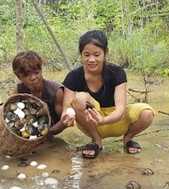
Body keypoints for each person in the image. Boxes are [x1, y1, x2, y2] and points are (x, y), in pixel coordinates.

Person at [62, 30, 154, 158]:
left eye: (96, 54)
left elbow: (121, 109)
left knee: (147, 113)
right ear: (81, 55)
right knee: (79, 98)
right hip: (92, 122)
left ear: (105, 53)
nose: (91, 59)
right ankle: (97, 141)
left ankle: (127, 139)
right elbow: (66, 106)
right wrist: (67, 116)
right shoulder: (73, 76)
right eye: (86, 55)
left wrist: (104, 120)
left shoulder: (117, 72)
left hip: (117, 120)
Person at [12, 50, 68, 137]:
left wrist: (46, 133)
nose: (33, 78)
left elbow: (65, 121)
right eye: (27, 75)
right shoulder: (18, 90)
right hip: (30, 128)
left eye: (36, 73)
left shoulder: (56, 91)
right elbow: (11, 113)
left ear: (41, 70)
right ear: (19, 77)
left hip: (51, 129)